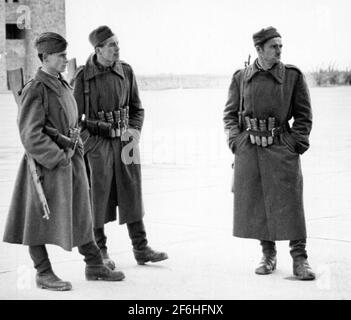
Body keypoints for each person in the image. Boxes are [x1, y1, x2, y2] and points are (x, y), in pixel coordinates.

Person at [3, 32, 125, 291]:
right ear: (45, 57)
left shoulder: (60, 83)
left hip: (71, 159)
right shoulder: (37, 88)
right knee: (37, 219)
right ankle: (43, 272)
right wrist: (58, 157)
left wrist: (72, 152)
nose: (64, 59)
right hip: (46, 166)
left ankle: (94, 265)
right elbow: (30, 134)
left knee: (82, 213)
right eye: (60, 56)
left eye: (65, 55)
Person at [223, 26, 315, 280]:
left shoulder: (293, 76)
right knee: (260, 203)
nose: (279, 50)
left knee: (291, 203)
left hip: (281, 147)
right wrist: (236, 140)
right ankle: (268, 254)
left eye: (280, 46)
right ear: (259, 50)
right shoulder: (241, 77)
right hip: (250, 149)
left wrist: (294, 143)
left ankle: (300, 259)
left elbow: (304, 116)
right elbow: (230, 114)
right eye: (274, 46)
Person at [73, 26, 168, 269]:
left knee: (132, 193)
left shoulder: (126, 71)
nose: (117, 48)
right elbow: (74, 120)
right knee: (97, 196)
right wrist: (91, 144)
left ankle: (141, 248)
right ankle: (100, 251)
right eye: (111, 45)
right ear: (98, 49)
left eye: (117, 44)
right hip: (97, 143)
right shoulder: (84, 77)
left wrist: (135, 131)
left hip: (126, 141)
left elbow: (137, 108)